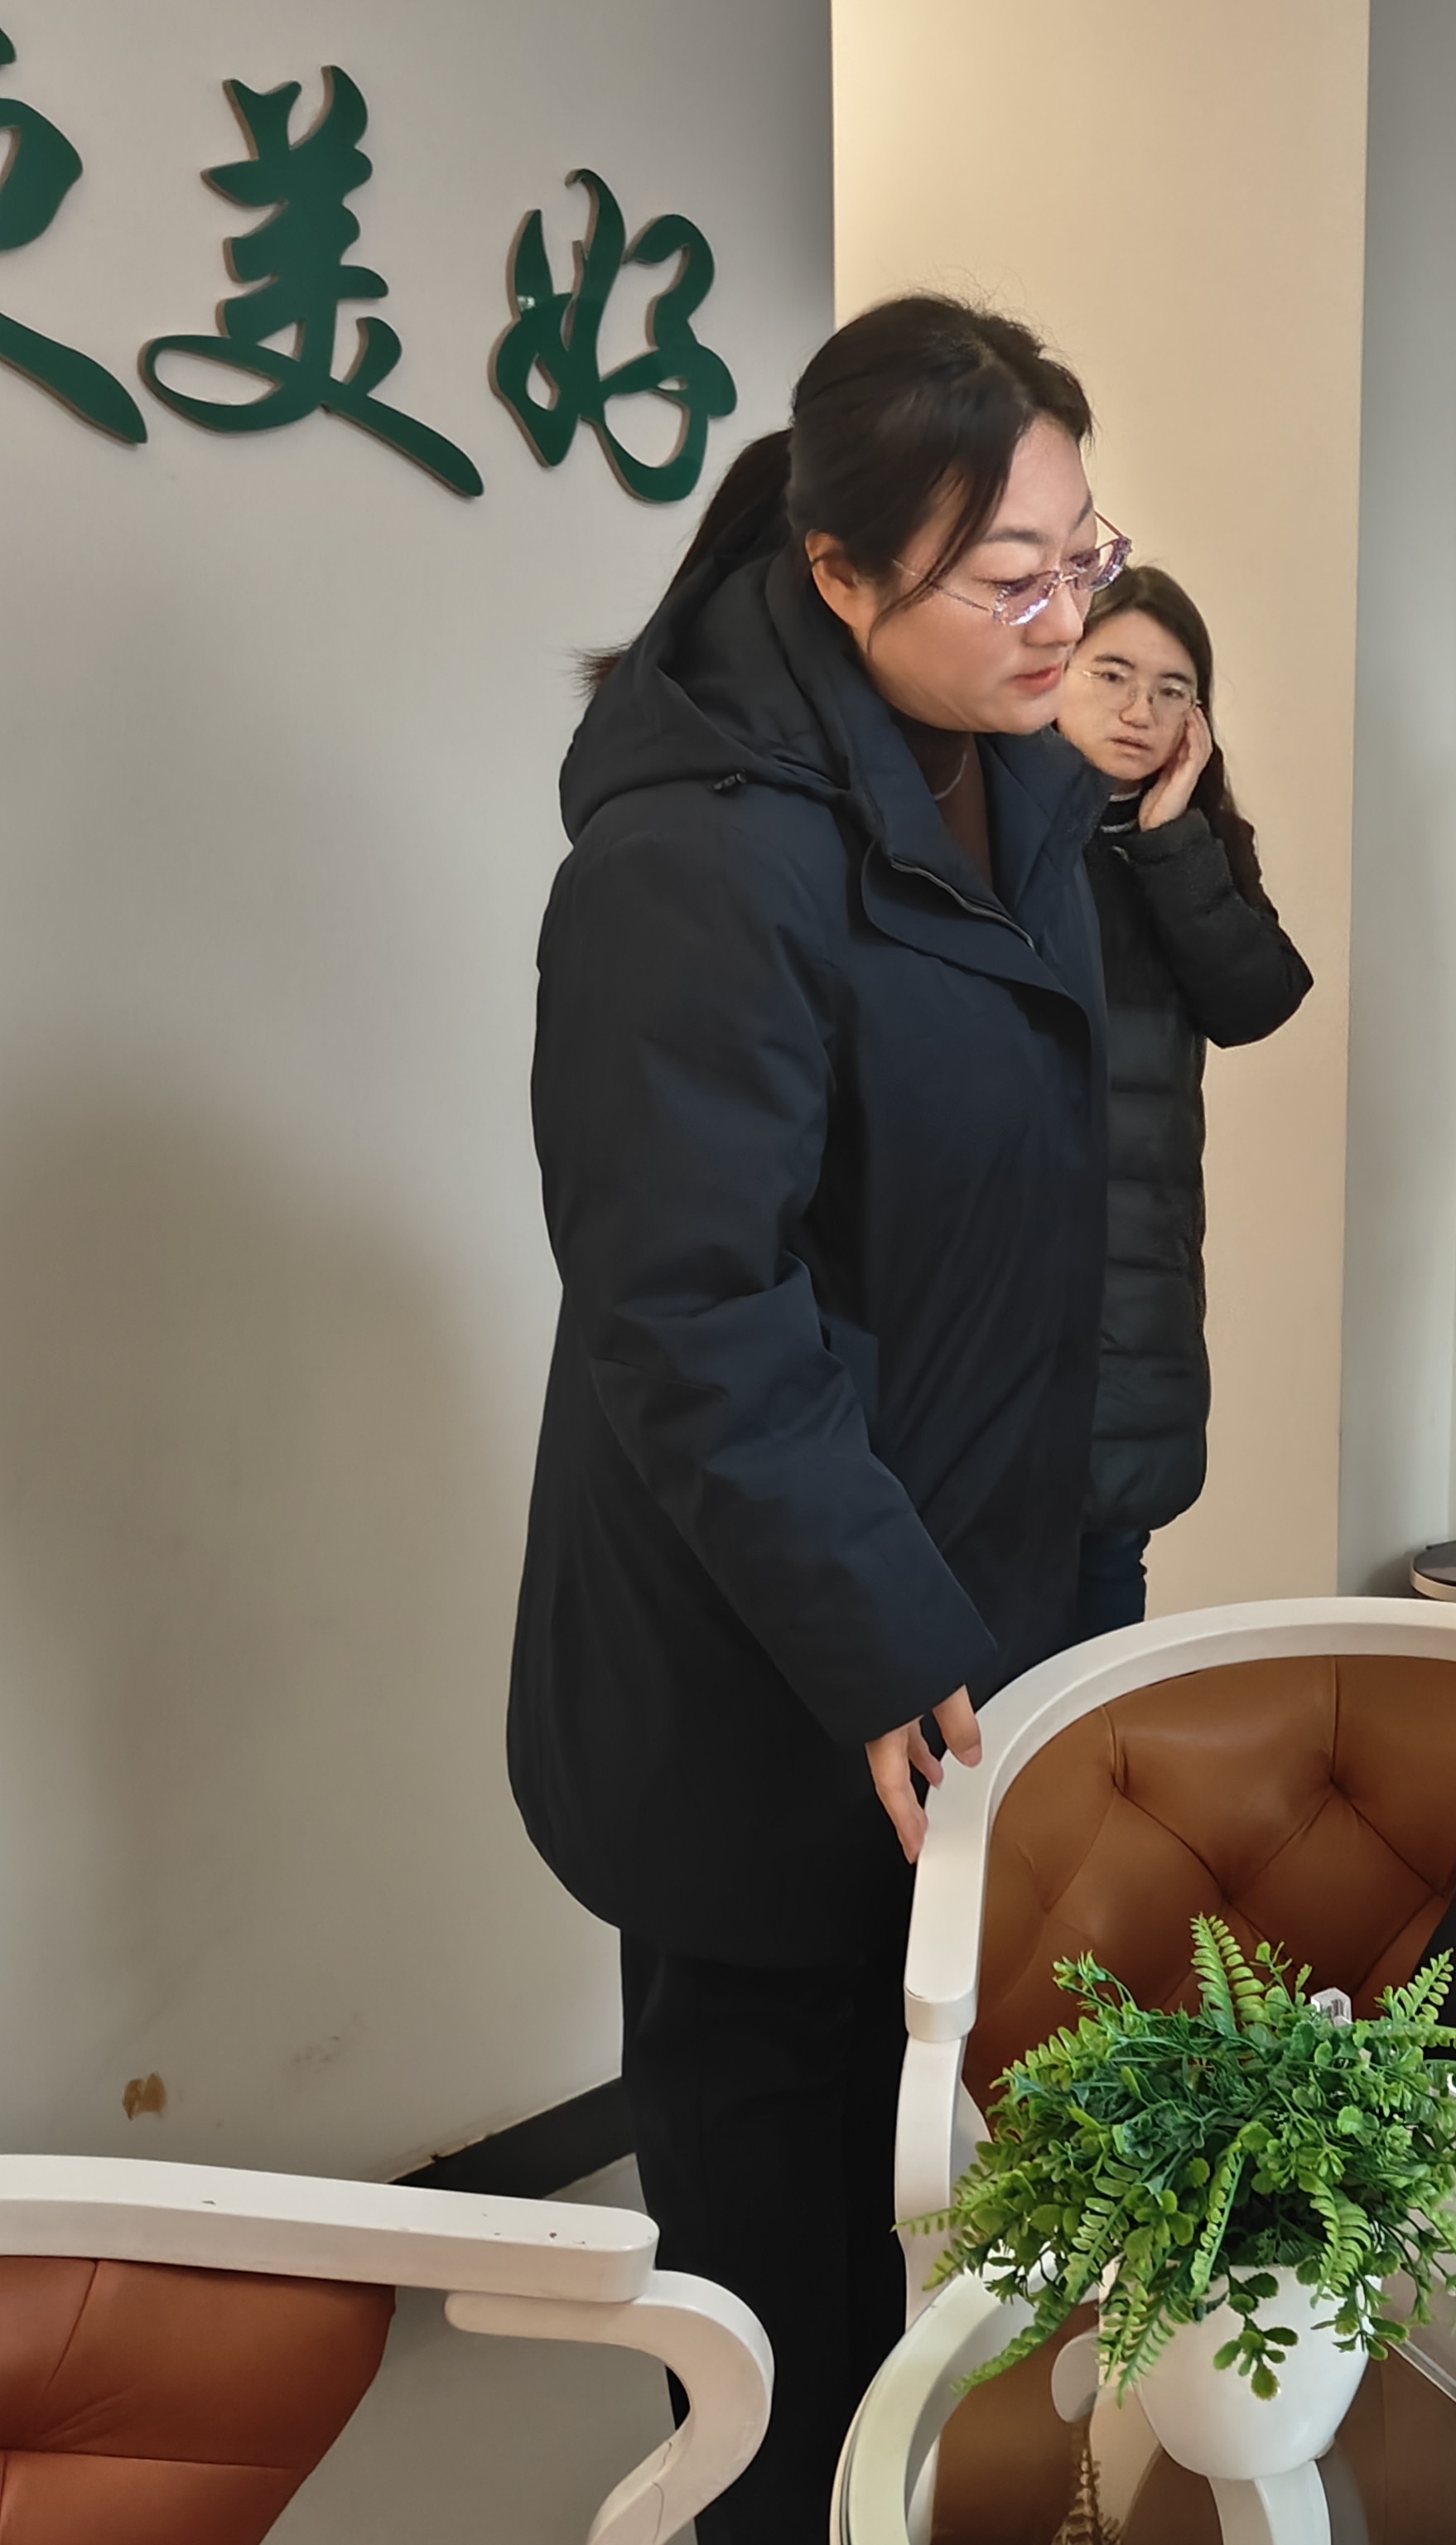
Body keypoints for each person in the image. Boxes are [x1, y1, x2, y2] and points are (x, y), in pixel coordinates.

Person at [511, 294, 1121, 2539]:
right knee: (775, 2235)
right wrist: (883, 1637)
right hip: (771, 1657)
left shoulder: (1010, 777)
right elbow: (691, 1308)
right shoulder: (695, 863)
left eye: (1082, 554)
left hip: (963, 1596)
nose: (1065, 614)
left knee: (937, 2177)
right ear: (840, 572)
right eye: (1010, 576)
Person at [1052, 567, 1313, 1635]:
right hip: (1016, 1267)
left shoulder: (1188, 848)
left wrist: (1168, 837)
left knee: (1110, 1572)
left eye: (1172, 690)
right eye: (1111, 674)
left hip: (1139, 1284)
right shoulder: (986, 837)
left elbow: (1257, 999)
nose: (1139, 710)